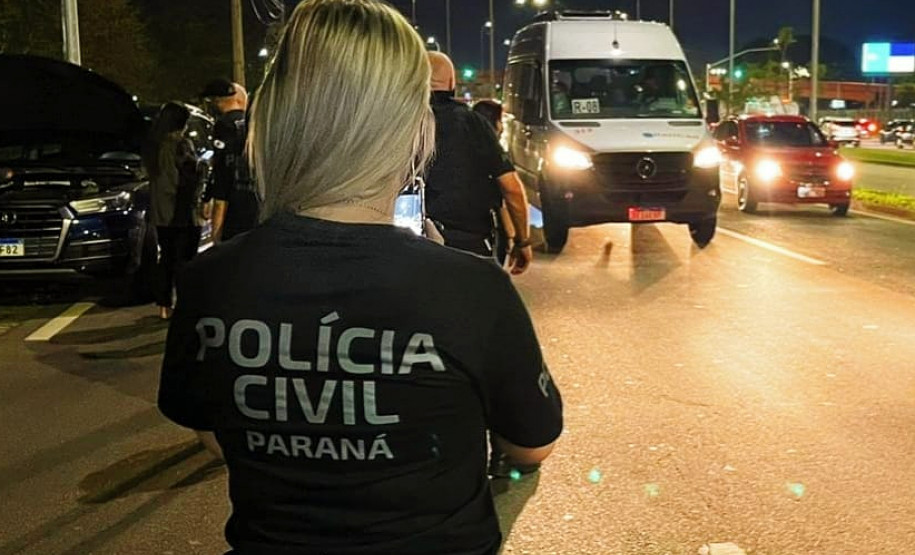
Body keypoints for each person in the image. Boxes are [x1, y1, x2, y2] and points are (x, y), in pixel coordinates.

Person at [157, 2, 563, 554]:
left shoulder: (210, 281)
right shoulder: (470, 288)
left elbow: (216, 438)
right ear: (409, 128)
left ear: (275, 118)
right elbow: (531, 446)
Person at [425, 52, 533, 275]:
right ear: (453, 83)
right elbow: (511, 188)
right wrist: (522, 242)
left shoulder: (397, 123)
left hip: (410, 248)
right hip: (470, 245)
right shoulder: (472, 123)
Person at [142, 102, 205, 320]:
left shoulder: (152, 146)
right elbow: (188, 177)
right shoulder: (181, 144)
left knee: (166, 258)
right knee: (185, 260)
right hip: (181, 211)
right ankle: (185, 303)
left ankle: (163, 305)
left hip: (161, 214)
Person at [200, 78, 258, 242]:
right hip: (257, 205)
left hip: (235, 207)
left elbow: (222, 173)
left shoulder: (224, 125)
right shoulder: (255, 123)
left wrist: (209, 199)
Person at [471, 100, 515, 266]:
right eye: (501, 121)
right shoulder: (491, 151)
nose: (502, 127)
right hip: (484, 233)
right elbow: (510, 191)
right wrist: (516, 238)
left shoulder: (462, 145)